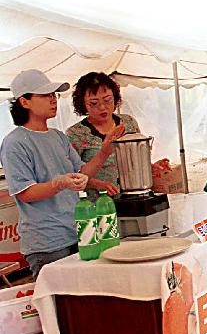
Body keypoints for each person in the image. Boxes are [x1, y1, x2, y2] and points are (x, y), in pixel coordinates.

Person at [0, 70, 124, 277]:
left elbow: (81, 174)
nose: (53, 100)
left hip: (79, 232)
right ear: (24, 102)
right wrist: (58, 184)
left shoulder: (57, 136)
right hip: (47, 242)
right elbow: (25, 193)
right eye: (46, 95)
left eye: (54, 95)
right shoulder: (15, 142)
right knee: (59, 305)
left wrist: (104, 151)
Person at [66, 72, 169, 196]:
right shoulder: (76, 134)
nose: (103, 107)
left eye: (108, 100)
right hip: (100, 203)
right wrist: (96, 184)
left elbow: (134, 161)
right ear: (82, 104)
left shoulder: (128, 122)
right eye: (94, 103)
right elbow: (71, 177)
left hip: (134, 197)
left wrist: (151, 167)